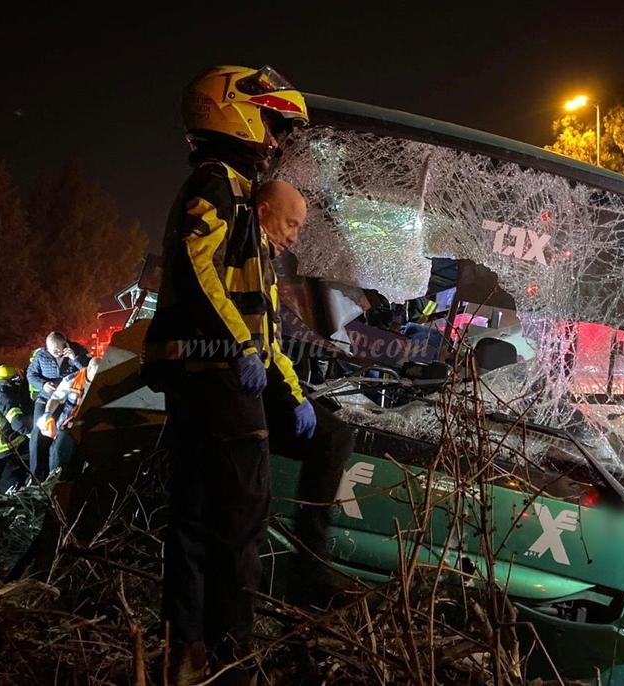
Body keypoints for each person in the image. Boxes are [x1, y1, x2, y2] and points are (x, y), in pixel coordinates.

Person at [141, 64, 310, 683]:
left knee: (193, 519)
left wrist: (286, 381)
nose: (271, 137)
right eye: (267, 120)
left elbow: (257, 316)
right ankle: (232, 657)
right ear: (233, 111)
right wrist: (240, 345)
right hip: (216, 376)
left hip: (203, 374)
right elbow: (194, 266)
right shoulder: (220, 184)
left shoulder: (230, 193)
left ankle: (187, 650)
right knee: (240, 520)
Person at [253, 180, 353, 607]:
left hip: (250, 379)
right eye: (290, 223)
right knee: (332, 437)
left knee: (333, 433)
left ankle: (304, 566)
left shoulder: (261, 260)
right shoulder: (243, 252)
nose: (293, 235)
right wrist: (292, 395)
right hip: (230, 388)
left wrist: (295, 391)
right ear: (262, 211)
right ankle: (306, 570)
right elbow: (255, 339)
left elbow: (269, 340)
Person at [26, 332, 90, 480]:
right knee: (38, 431)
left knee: (65, 434)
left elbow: (89, 371)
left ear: (65, 345)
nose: (54, 354)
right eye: (51, 350)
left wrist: (75, 359)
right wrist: (43, 385)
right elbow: (31, 375)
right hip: (46, 398)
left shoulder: (78, 351)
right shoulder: (41, 355)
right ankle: (35, 474)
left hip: (68, 400)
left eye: (57, 350)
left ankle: (62, 472)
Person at [36, 357, 99, 476]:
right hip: (70, 423)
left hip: (92, 425)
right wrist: (47, 414)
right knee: (58, 452)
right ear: (89, 369)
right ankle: (54, 482)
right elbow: (55, 399)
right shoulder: (72, 380)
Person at [0, 365, 31, 491]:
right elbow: (18, 423)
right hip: (6, 450)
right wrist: (31, 432)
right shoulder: (5, 397)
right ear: (11, 381)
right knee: (9, 489)